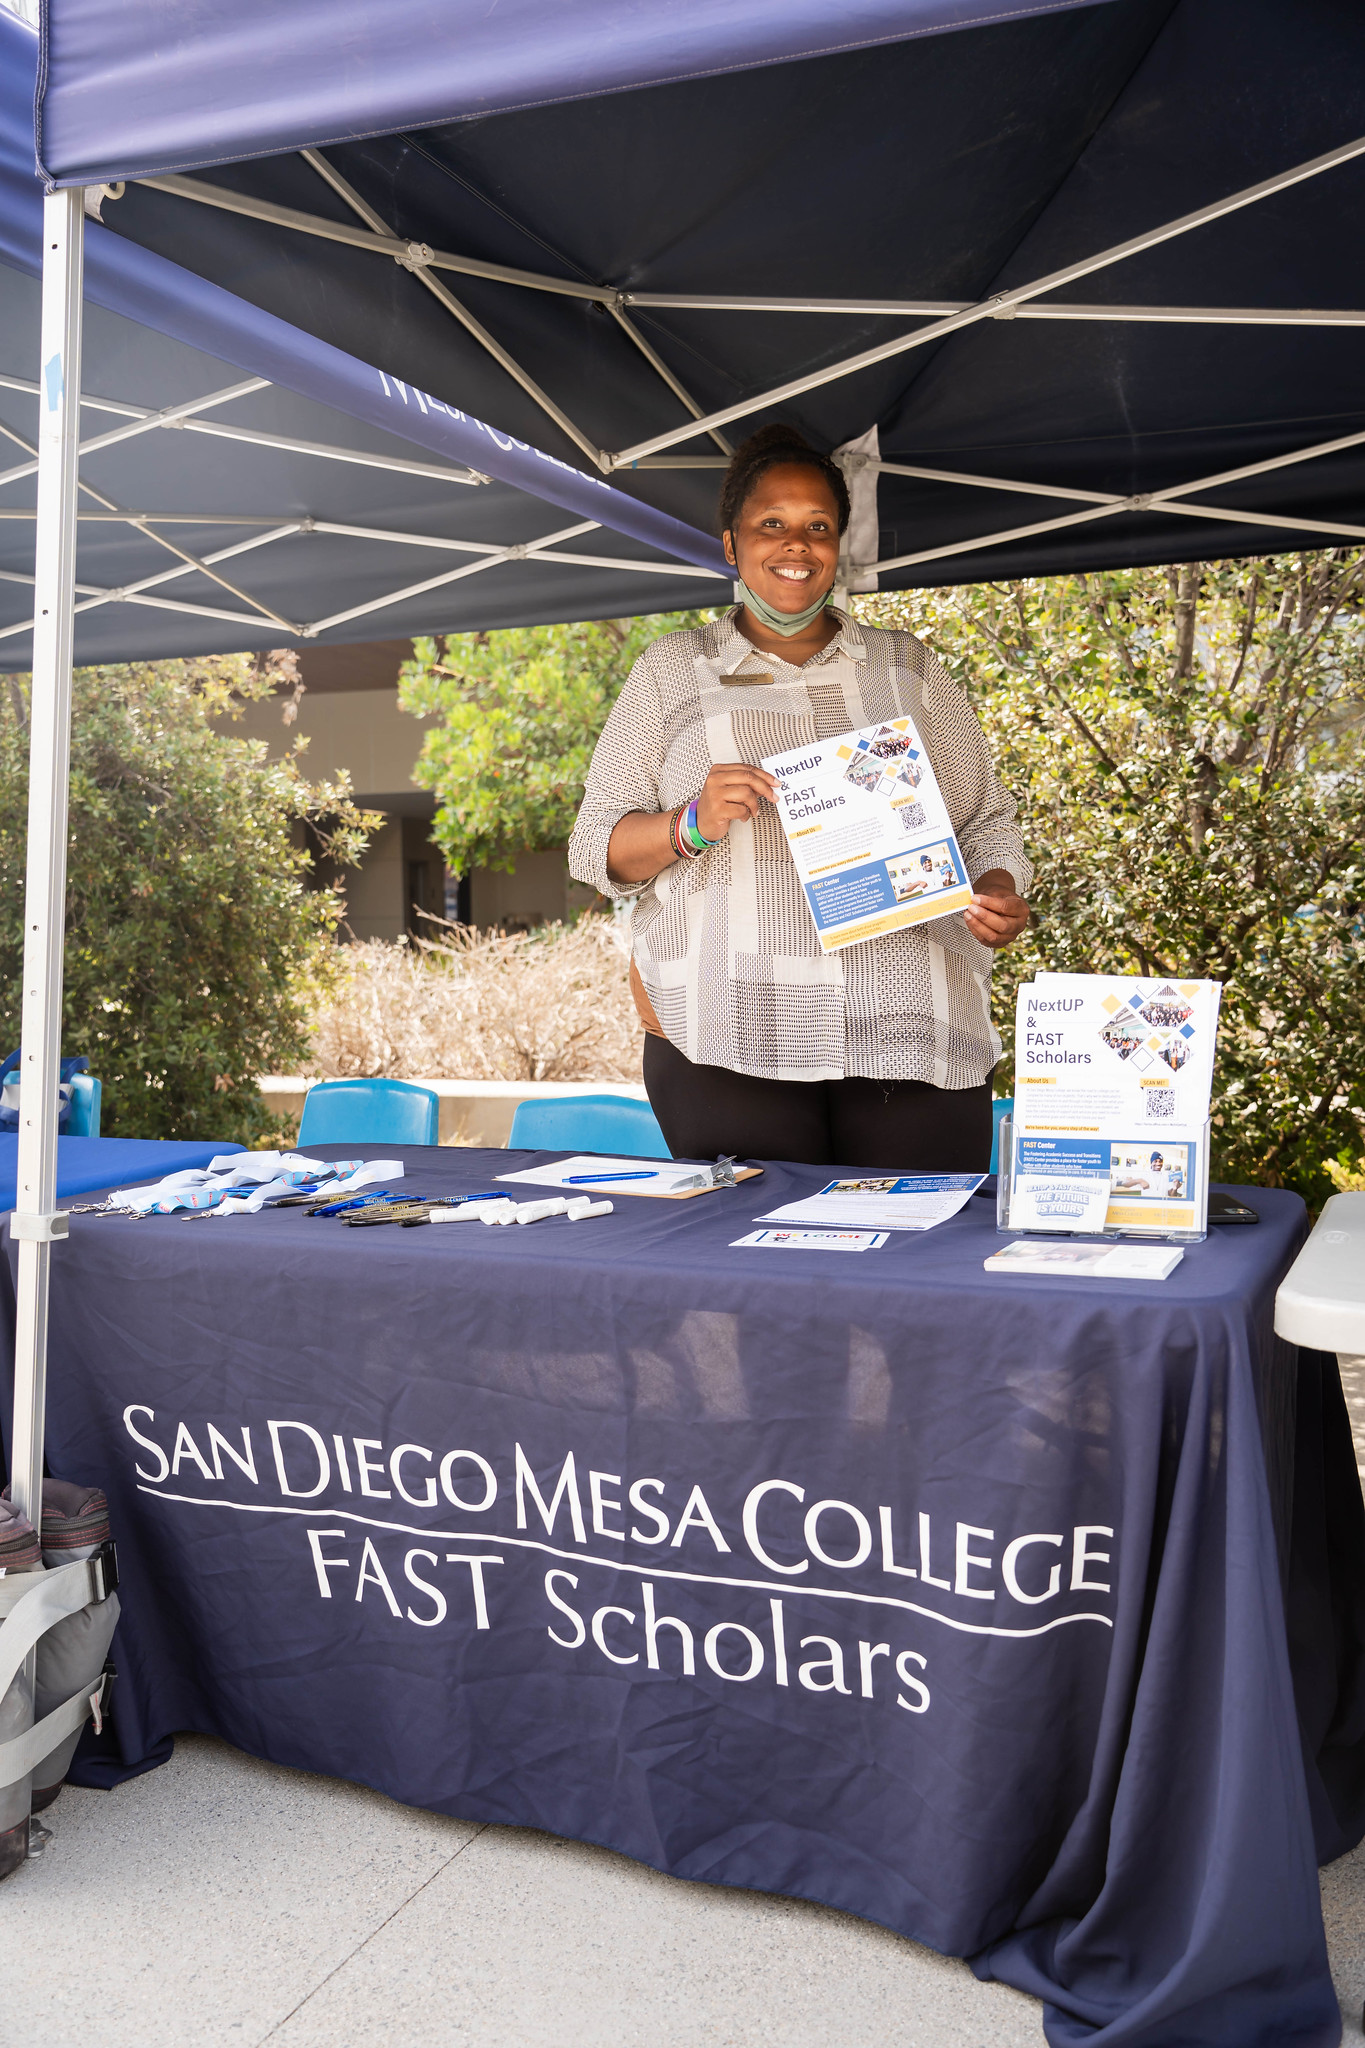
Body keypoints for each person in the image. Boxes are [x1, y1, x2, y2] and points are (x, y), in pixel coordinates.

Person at [568, 424, 1031, 1169]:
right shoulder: (671, 672)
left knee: (914, 1267)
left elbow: (986, 823)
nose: (796, 545)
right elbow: (596, 848)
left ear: (839, 543)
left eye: (818, 526)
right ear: (730, 544)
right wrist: (689, 822)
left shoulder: (905, 668)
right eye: (771, 525)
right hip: (730, 1036)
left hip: (907, 1029)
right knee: (758, 1275)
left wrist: (997, 891)